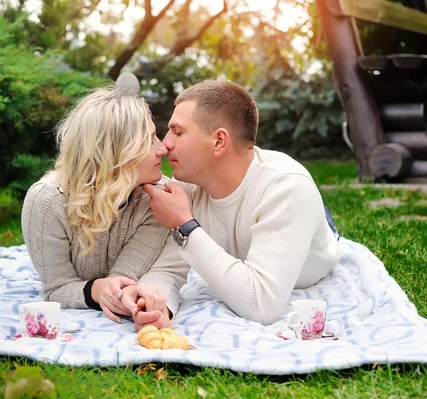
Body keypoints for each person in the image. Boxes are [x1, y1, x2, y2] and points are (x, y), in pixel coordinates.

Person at [142, 80, 341, 325]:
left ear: (219, 141)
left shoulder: (287, 188)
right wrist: (155, 306)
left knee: (301, 202)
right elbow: (168, 269)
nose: (164, 144)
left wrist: (185, 225)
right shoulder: (189, 184)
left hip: (307, 225)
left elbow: (262, 305)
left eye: (178, 132)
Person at [21, 88, 188, 330]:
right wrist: (96, 290)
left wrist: (134, 300)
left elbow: (123, 282)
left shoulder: (157, 200)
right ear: (116, 151)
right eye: (149, 140)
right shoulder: (47, 202)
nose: (162, 149)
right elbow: (56, 289)